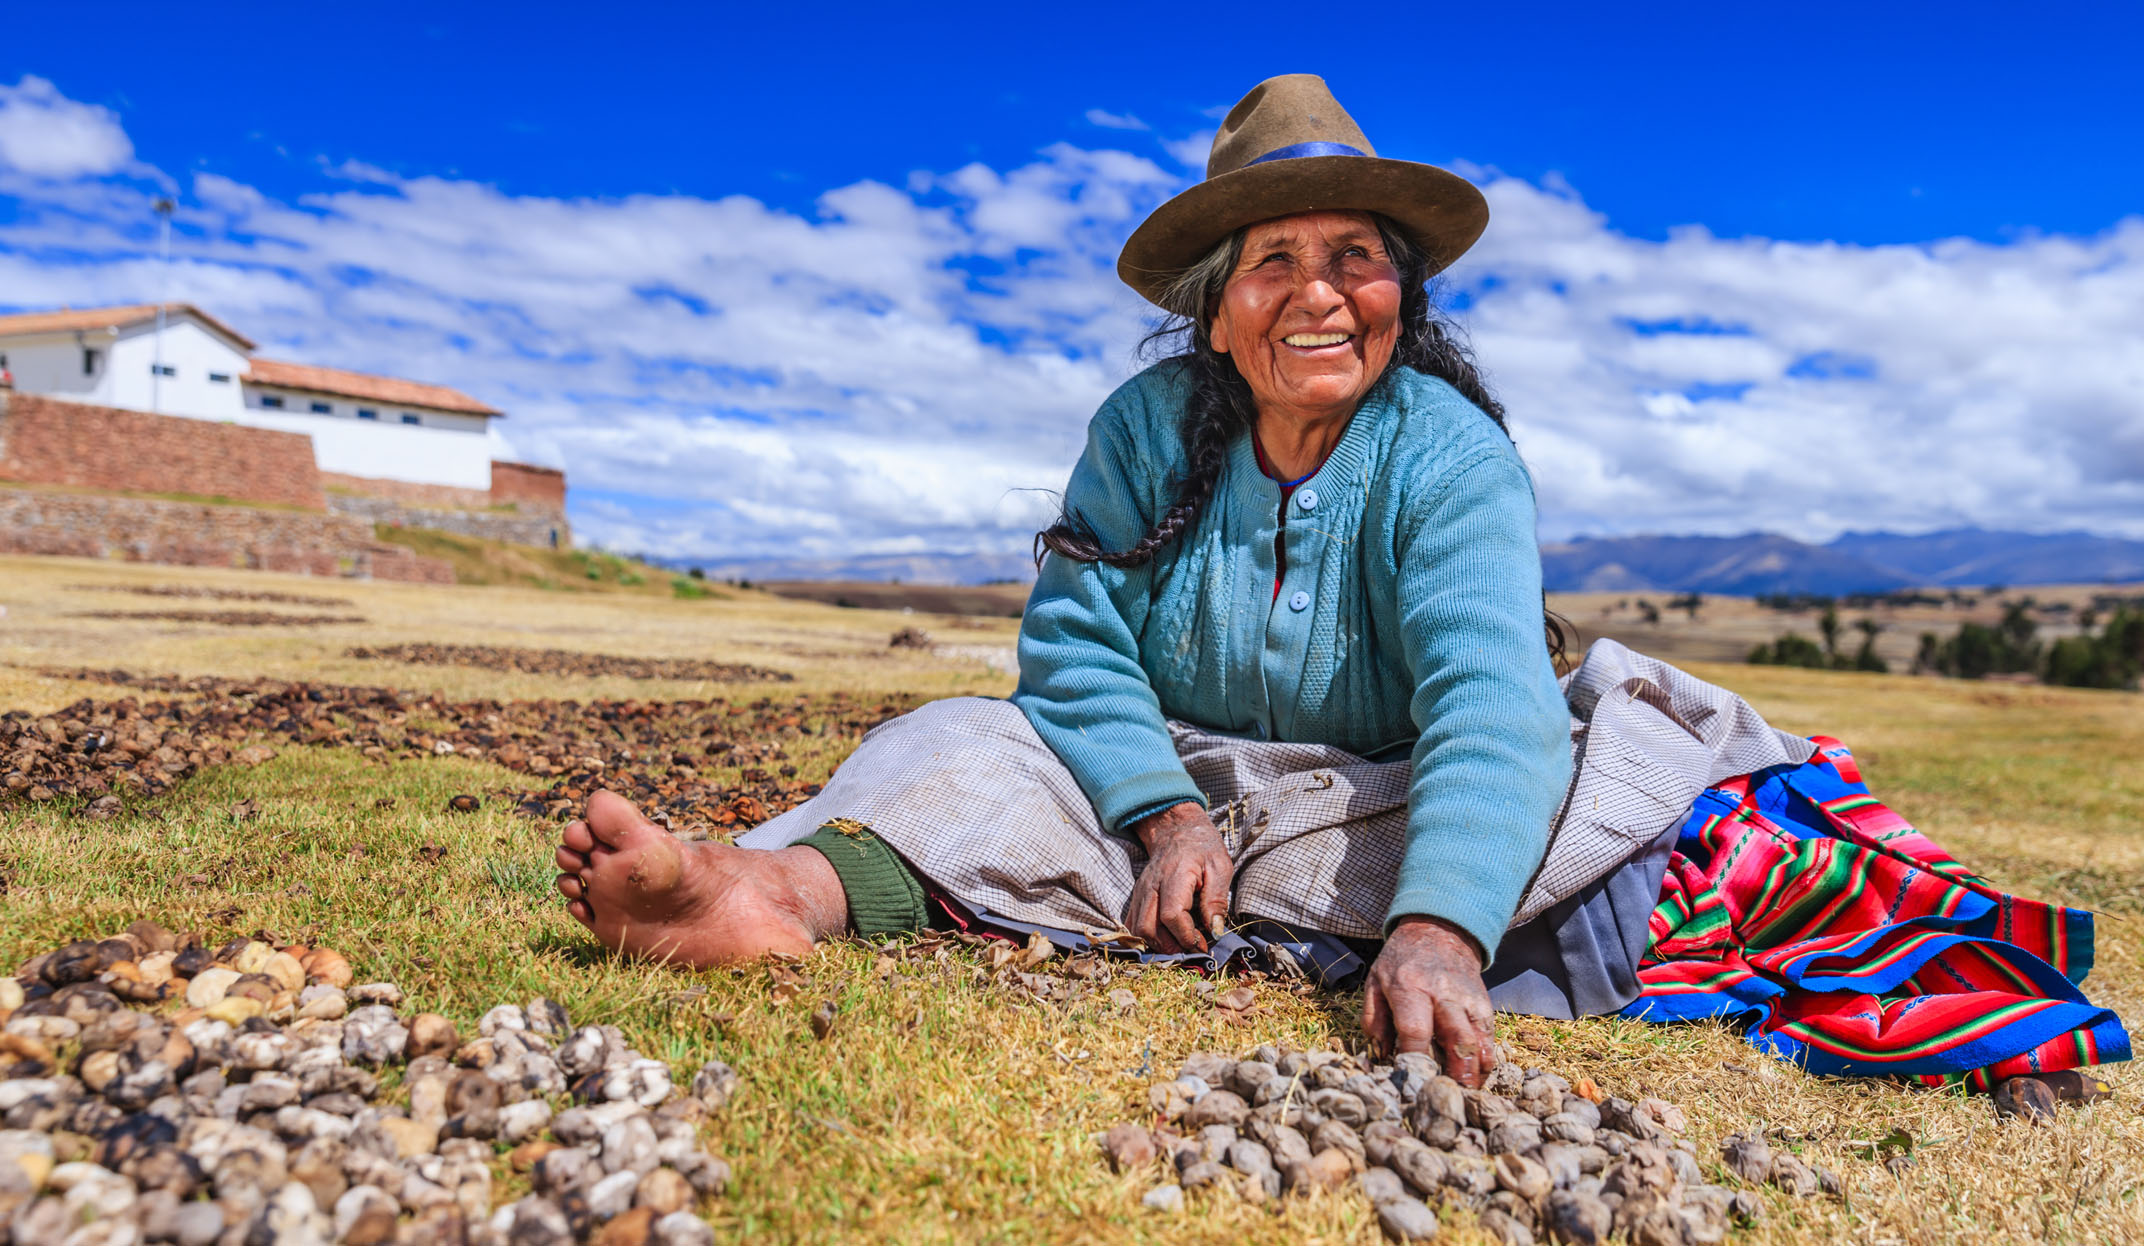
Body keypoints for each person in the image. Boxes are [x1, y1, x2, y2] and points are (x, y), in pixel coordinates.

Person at [556, 75, 2127, 1095]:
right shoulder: (1146, 429)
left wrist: (1440, 925)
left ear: (1402, 293)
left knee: (1594, 858)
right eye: (1274, 259)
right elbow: (1077, 646)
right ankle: (768, 895)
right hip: (1163, 789)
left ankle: (1391, 909)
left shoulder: (1446, 457)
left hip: (1387, 786)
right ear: (1218, 309)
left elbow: (1487, 703)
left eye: (1357, 256)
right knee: (961, 743)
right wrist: (1164, 805)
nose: (1321, 290)